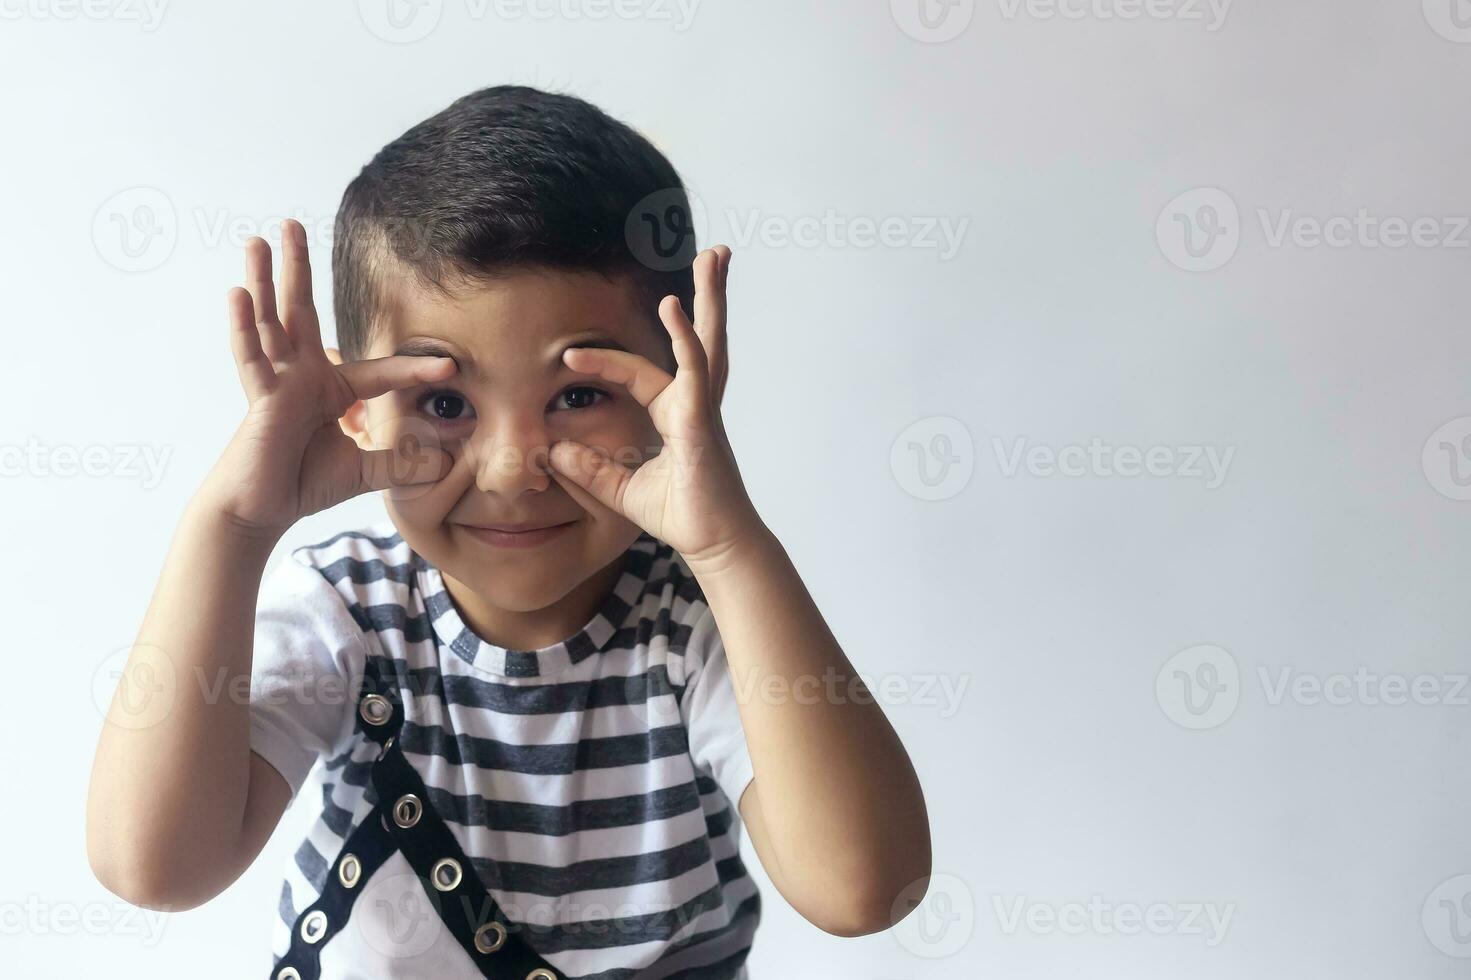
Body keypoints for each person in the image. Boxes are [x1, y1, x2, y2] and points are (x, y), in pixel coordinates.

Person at [86, 85, 931, 979]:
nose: (511, 466)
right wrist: (231, 525)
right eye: (445, 402)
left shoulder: (696, 626)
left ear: (680, 390)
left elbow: (865, 891)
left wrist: (730, 549)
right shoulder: (345, 614)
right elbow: (153, 867)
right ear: (356, 410)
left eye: (578, 394)